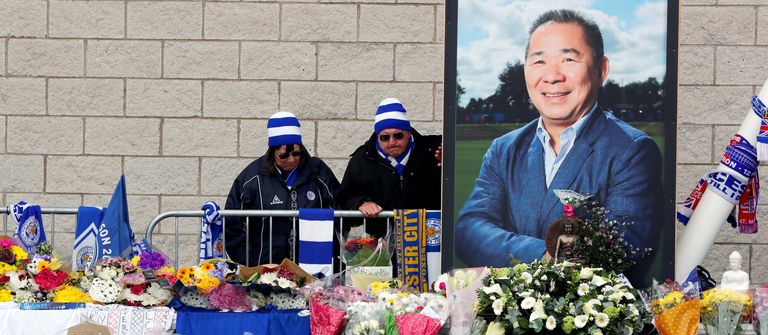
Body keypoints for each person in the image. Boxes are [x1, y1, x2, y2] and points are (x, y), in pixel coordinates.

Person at [455, 9, 663, 287]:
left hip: (595, 327)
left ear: (601, 69)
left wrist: (518, 255)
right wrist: (545, 254)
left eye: (568, 59)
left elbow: (625, 255)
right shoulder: (504, 149)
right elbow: (469, 231)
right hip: (507, 324)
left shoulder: (632, 151)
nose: (552, 76)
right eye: (539, 61)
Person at [225, 112, 340, 266]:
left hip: (312, 267)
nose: (291, 159)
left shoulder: (318, 172)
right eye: (284, 156)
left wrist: (333, 251)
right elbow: (232, 221)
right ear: (273, 152)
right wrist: (247, 260)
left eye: (296, 153)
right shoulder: (252, 178)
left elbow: (341, 205)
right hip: (265, 268)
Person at [335, 98, 442, 237]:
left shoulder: (434, 150)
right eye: (385, 137)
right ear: (377, 136)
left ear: (408, 133)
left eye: (398, 135)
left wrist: (453, 163)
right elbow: (343, 198)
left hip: (429, 240)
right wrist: (361, 203)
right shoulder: (362, 159)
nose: (392, 142)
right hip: (382, 245)